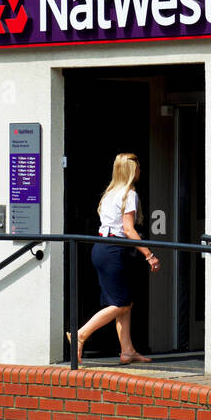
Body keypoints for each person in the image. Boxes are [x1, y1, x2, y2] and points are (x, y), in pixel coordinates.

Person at [67, 152, 161, 364]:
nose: (140, 170)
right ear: (131, 170)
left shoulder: (109, 193)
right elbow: (128, 229)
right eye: (137, 167)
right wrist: (149, 255)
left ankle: (127, 351)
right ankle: (80, 334)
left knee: (124, 301)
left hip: (102, 248)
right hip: (115, 250)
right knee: (121, 304)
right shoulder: (129, 194)